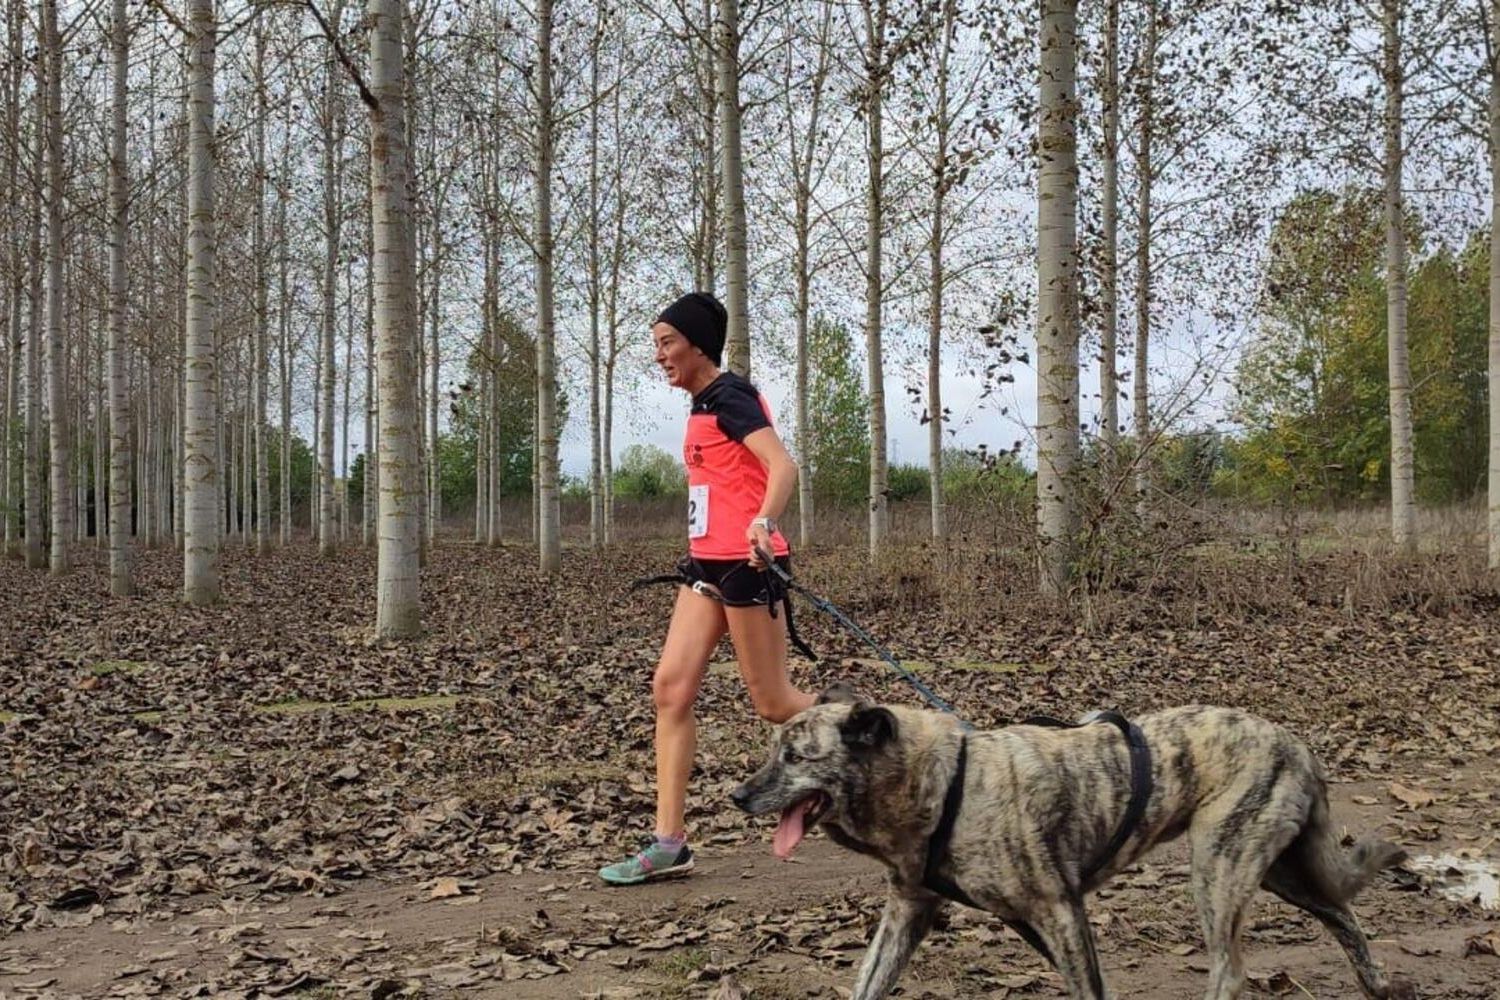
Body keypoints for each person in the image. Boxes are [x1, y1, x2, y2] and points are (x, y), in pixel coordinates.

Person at [599, 291, 816, 885]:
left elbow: (783, 466)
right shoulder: (701, 404)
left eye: (667, 342)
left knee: (773, 703)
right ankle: (669, 843)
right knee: (670, 689)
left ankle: (874, 732)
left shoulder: (731, 397)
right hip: (705, 567)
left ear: (698, 344)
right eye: (657, 345)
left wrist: (763, 524)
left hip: (750, 564)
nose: (660, 355)